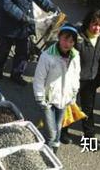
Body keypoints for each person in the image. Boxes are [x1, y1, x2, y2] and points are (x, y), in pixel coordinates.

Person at [60, 9, 100, 143]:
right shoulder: (78, 38)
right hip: (75, 80)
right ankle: (63, 131)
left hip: (91, 80)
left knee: (88, 108)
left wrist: (99, 76)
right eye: (94, 24)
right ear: (88, 23)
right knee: (69, 106)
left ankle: (89, 135)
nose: (97, 28)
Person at [33, 24, 80, 155]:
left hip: (64, 99)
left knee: (58, 126)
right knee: (51, 132)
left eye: (71, 41)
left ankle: (54, 150)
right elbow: (39, 78)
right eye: (65, 39)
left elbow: (76, 76)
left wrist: (74, 93)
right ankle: (49, 154)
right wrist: (39, 97)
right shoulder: (47, 56)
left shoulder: (75, 56)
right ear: (59, 37)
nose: (67, 43)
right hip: (48, 99)